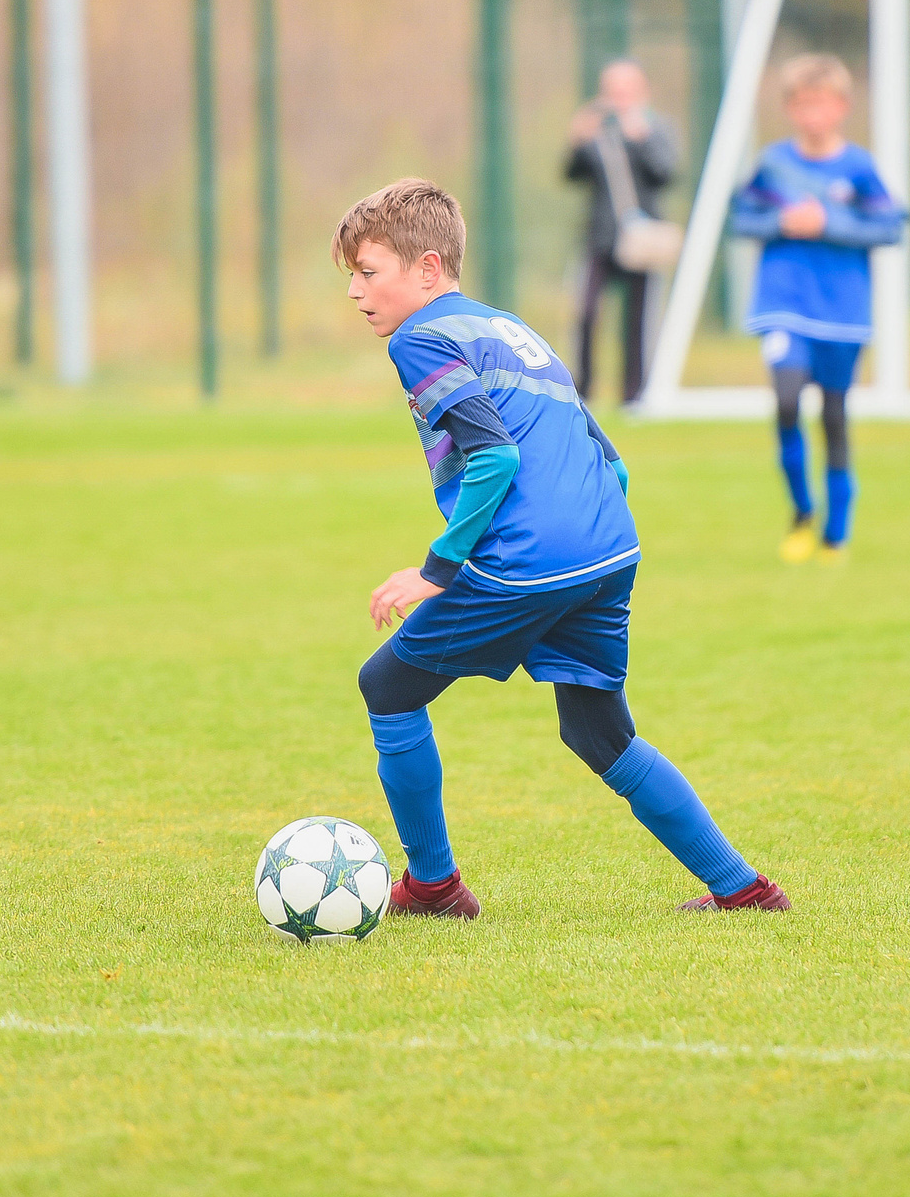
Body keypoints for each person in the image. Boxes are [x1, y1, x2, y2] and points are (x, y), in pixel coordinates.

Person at [334, 177, 786, 916]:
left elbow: (493, 458)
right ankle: (744, 890)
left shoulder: (422, 337)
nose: (355, 290)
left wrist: (436, 570)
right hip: (609, 550)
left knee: (386, 687)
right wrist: (581, 546)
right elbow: (613, 461)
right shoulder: (514, 331)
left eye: (367, 270)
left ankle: (436, 886)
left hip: (526, 559)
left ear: (426, 268)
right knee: (598, 731)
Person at [727, 54, 908, 565]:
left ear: (842, 108)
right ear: (789, 109)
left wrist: (827, 222)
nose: (812, 115)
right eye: (802, 105)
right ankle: (801, 513)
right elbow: (743, 219)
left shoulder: (858, 168)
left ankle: (837, 531)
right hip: (784, 305)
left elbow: (889, 228)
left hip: (843, 313)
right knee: (786, 402)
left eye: (821, 105)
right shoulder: (775, 163)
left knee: (833, 415)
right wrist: (784, 223)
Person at [561, 59, 676, 406]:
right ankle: (583, 390)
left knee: (638, 318)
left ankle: (634, 394)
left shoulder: (657, 129)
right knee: (587, 311)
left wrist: (640, 139)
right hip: (602, 236)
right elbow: (571, 174)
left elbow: (665, 173)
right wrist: (578, 137)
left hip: (641, 238)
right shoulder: (598, 133)